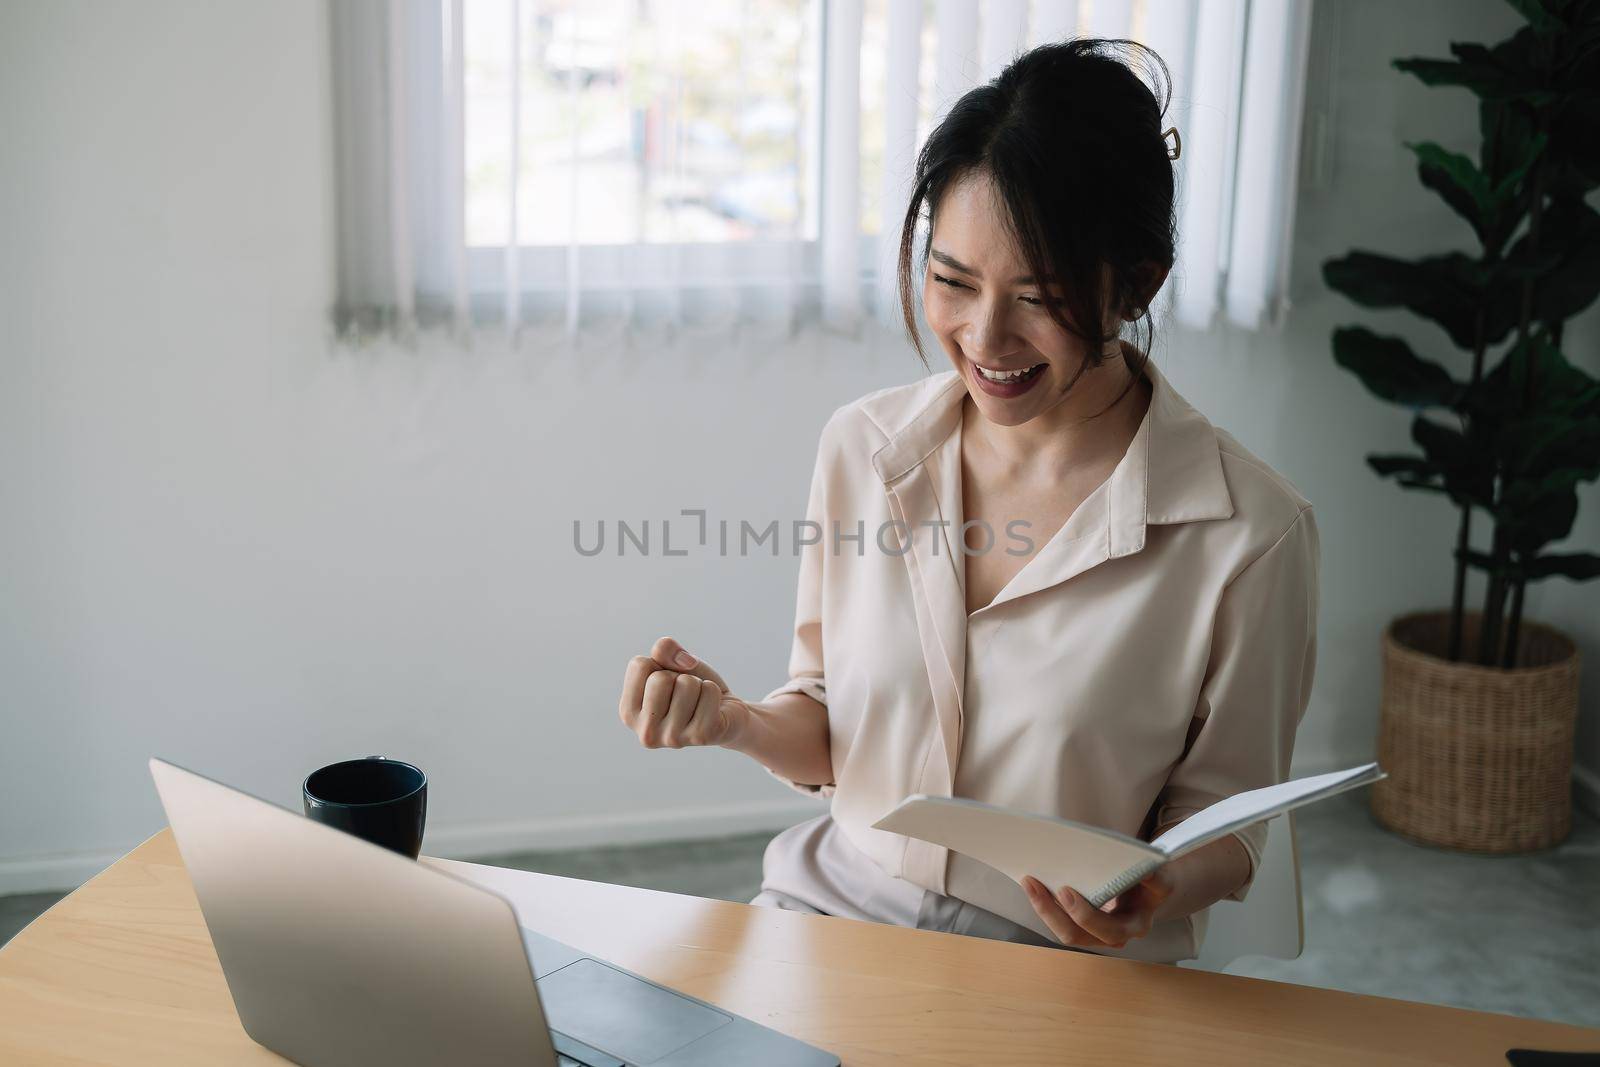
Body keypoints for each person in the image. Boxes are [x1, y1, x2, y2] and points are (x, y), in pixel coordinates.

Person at [615, 39, 1319, 964]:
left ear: (1135, 283)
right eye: (951, 281)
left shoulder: (1249, 536)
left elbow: (1228, 827)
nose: (985, 336)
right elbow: (830, 724)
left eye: (1040, 296)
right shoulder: (864, 450)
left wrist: (1158, 885)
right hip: (827, 910)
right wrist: (733, 718)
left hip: (1061, 968)